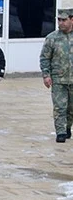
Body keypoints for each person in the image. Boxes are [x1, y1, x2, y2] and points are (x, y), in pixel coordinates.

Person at [39, 8, 73, 142]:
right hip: (58, 79)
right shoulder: (52, 38)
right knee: (60, 107)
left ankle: (67, 127)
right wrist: (46, 75)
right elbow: (44, 58)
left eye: (64, 20)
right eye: (59, 20)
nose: (61, 23)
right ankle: (60, 132)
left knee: (71, 108)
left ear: (71, 19)